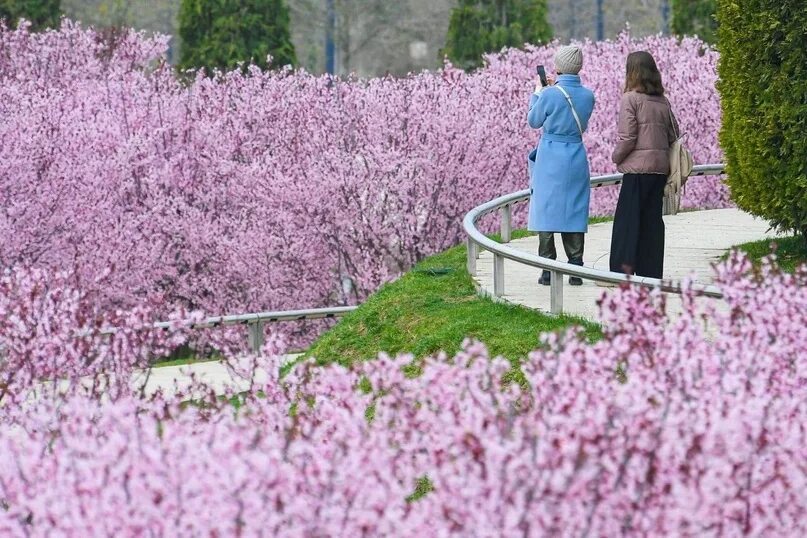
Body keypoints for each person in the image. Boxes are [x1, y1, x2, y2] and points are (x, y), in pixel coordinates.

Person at [527, 45, 596, 286]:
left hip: (550, 156)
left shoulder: (549, 94)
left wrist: (537, 93)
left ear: (557, 67)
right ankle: (576, 267)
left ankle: (547, 269)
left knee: (546, 208)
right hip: (576, 155)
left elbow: (533, 121)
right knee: (574, 208)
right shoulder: (588, 95)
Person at [609, 51, 680, 278]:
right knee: (651, 223)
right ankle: (651, 273)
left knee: (627, 224)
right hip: (659, 170)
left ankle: (622, 273)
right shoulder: (663, 102)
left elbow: (627, 137)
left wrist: (616, 157)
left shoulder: (630, 99)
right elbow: (674, 135)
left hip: (637, 171)